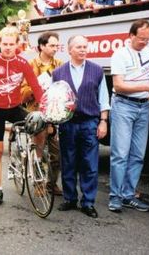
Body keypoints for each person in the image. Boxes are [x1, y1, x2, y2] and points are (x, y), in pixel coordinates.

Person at [0, 26, 43, 205]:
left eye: (11, 44)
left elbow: (35, 86)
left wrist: (44, 107)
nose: (8, 47)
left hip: (15, 108)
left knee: (40, 126)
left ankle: (36, 159)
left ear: (17, 44)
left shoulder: (23, 63)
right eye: (5, 44)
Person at [108, 19, 149, 213]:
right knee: (120, 154)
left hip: (144, 106)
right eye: (141, 39)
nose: (145, 42)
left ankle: (128, 195)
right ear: (131, 36)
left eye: (148, 39)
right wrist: (146, 87)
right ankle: (115, 197)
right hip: (123, 105)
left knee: (138, 155)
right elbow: (118, 85)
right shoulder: (120, 54)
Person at [53, 35, 110, 218]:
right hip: (67, 124)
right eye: (79, 47)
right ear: (69, 50)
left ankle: (88, 202)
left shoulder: (97, 70)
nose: (83, 50)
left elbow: (103, 98)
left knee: (90, 164)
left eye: (85, 47)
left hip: (89, 123)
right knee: (68, 162)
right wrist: (54, 124)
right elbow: (55, 100)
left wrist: (103, 121)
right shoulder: (58, 72)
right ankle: (70, 199)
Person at [21, 31, 64, 194]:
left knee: (57, 152)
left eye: (56, 45)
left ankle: (51, 183)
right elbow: (22, 92)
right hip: (36, 111)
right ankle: (38, 183)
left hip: (54, 113)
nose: (55, 48)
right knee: (38, 149)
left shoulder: (59, 63)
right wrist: (37, 87)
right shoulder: (31, 65)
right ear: (41, 46)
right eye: (52, 45)